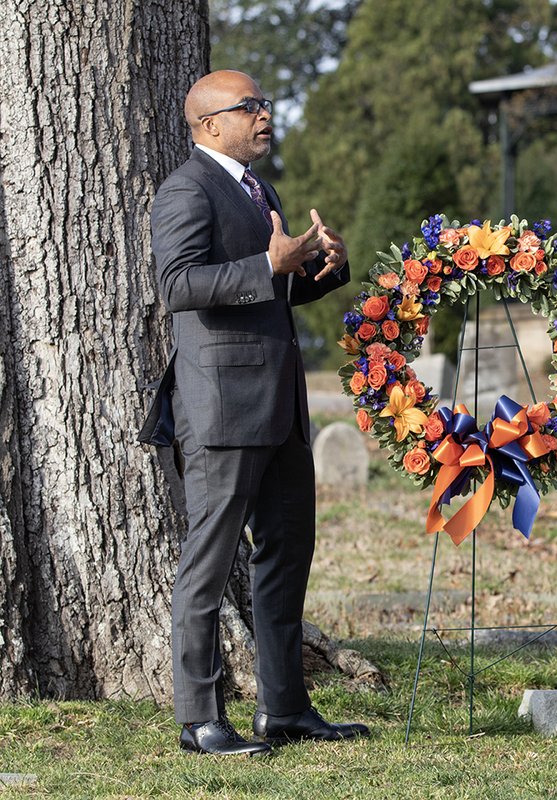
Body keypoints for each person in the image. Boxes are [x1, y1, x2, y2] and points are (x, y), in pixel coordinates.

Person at [143, 70, 367, 756]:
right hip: (221, 411)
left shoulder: (259, 189)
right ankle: (199, 720)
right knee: (208, 568)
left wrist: (320, 267)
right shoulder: (187, 189)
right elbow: (178, 285)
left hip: (281, 409)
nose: (266, 115)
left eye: (266, 103)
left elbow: (271, 290)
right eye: (251, 107)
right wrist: (270, 264)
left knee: (286, 557)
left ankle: (285, 710)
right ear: (211, 124)